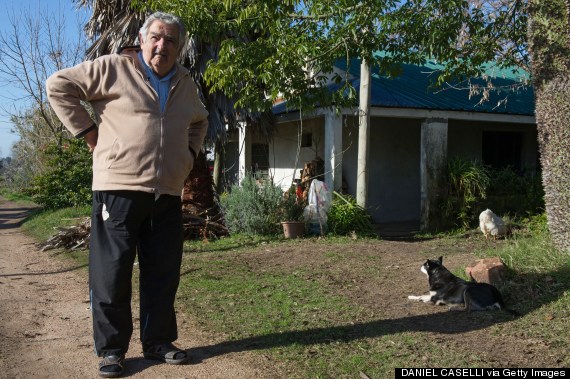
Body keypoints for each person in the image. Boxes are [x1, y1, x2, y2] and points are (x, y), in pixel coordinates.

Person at [46, 11, 209, 378]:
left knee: (163, 273)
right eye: (156, 37)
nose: (162, 45)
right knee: (111, 273)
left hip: (167, 193)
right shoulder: (114, 68)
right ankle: (112, 351)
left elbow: (199, 121)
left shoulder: (185, 83)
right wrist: (89, 133)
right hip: (117, 189)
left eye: (170, 40)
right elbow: (58, 85)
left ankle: (158, 342)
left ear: (179, 47)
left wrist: (189, 156)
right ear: (142, 37)